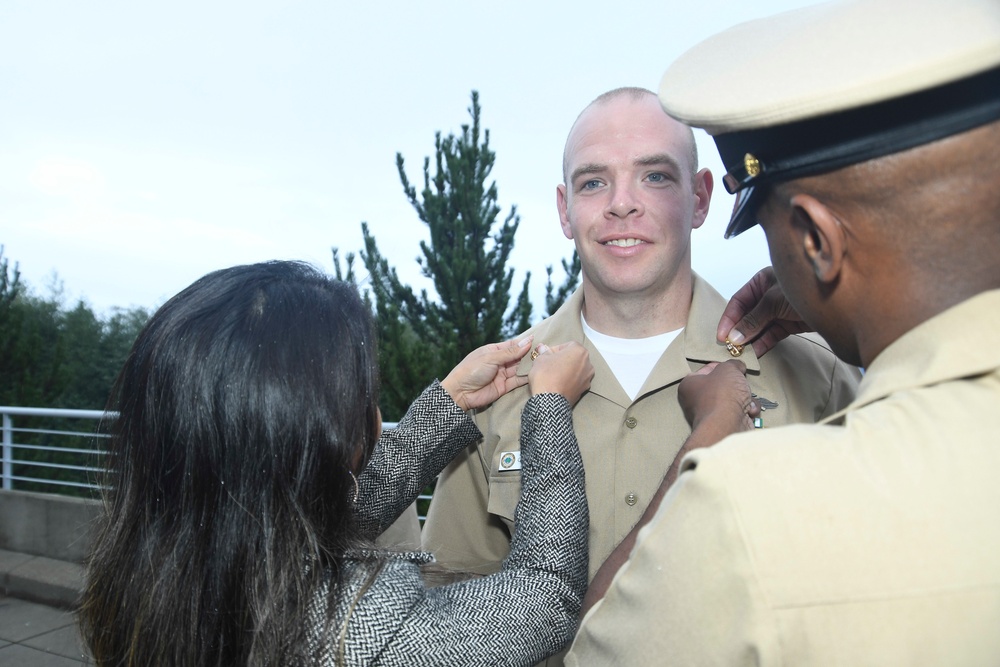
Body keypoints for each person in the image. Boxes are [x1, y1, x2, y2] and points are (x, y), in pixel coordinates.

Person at [566, 0, 1000, 663]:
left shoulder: (738, 509)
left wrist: (712, 432)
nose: (623, 202)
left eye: (768, 230)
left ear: (816, 238)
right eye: (595, 180)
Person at [421, 86, 860, 663]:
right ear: (564, 209)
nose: (621, 204)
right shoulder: (495, 389)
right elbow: (446, 619)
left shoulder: (815, 376)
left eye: (654, 176)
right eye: (593, 181)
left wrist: (850, 317)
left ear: (701, 199)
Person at [78, 260, 594, 666]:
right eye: (359, 397)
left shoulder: (150, 578)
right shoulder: (357, 631)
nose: (373, 413)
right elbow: (546, 594)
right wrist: (548, 408)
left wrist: (450, 404)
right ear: (320, 442)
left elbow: (326, 520)